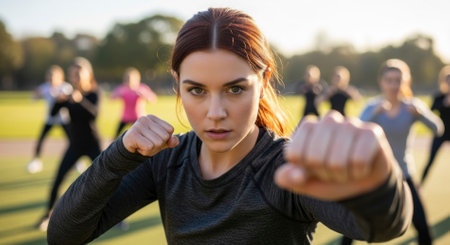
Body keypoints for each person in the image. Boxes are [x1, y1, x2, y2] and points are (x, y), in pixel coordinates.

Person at [48, 8, 413, 245]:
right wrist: (119, 153)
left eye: (235, 88)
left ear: (264, 79)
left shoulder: (285, 168)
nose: (215, 112)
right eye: (196, 91)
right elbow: (63, 235)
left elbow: (381, 228)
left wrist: (382, 182)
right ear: (178, 84)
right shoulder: (167, 161)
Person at [341, 59, 443, 245]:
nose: (394, 85)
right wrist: (374, 114)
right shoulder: (373, 107)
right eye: (390, 80)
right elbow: (354, 133)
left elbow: (438, 129)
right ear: (382, 82)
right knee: (351, 226)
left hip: (403, 174)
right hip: (374, 176)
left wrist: (420, 115)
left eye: (398, 80)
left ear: (405, 82)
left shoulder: (412, 106)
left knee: (422, 226)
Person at [36, 57, 102, 231]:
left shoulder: (93, 93)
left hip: (93, 144)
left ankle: (118, 217)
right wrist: (59, 99)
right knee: (58, 180)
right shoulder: (68, 94)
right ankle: (47, 216)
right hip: (75, 145)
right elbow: (53, 113)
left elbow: (94, 115)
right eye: (74, 75)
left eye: (80, 74)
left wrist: (79, 100)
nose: (76, 78)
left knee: (107, 179)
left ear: (88, 75)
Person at [26, 65, 72, 174]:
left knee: (72, 140)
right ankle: (36, 161)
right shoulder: (45, 87)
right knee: (41, 139)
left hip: (63, 119)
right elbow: (34, 97)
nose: (51, 78)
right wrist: (36, 95)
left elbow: (69, 97)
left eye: (53, 76)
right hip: (50, 119)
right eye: (49, 76)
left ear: (60, 76)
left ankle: (76, 163)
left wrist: (62, 97)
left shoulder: (65, 87)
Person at [421, 65, 450, 184]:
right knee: (430, 160)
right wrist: (444, 104)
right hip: (441, 132)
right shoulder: (438, 96)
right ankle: (419, 186)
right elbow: (430, 112)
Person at [110, 67, 157, 139]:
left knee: (143, 136)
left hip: (138, 118)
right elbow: (112, 98)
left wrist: (144, 94)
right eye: (127, 79)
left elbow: (153, 99)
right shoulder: (122, 88)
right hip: (125, 117)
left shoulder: (141, 88)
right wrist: (117, 94)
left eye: (131, 79)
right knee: (116, 136)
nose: (129, 81)